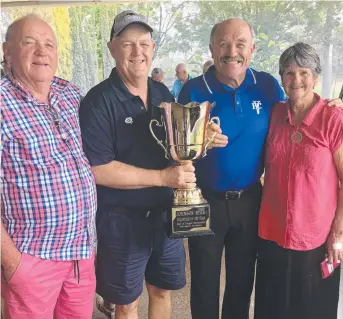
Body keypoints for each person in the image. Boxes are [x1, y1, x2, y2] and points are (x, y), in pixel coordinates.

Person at [178, 18, 343, 319]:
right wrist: (199, 142)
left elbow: (300, 103)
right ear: (211, 49)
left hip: (251, 200)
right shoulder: (191, 90)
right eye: (224, 44)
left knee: (242, 281)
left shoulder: (267, 86)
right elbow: (179, 153)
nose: (232, 51)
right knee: (203, 281)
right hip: (204, 200)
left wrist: (330, 104)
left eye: (240, 44)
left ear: (252, 49)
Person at [79, 10, 193, 319]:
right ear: (112, 47)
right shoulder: (97, 101)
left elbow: (176, 147)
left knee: (162, 290)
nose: (137, 52)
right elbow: (98, 169)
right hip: (122, 222)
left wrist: (201, 139)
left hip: (165, 217)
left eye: (144, 43)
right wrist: (163, 177)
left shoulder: (163, 94)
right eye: (128, 43)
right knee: (127, 303)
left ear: (153, 48)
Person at [1, 15, 97, 319]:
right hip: (32, 258)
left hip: (82, 255)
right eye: (29, 43)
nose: (42, 52)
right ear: (8, 52)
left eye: (49, 45)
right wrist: (12, 262)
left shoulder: (70, 94)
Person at [254, 42, 343, 319]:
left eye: (304, 72)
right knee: (273, 309)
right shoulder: (275, 114)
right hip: (272, 234)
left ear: (315, 77)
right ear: (281, 77)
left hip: (315, 238)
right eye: (289, 73)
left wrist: (337, 233)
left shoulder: (332, 118)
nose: (297, 80)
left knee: (312, 310)